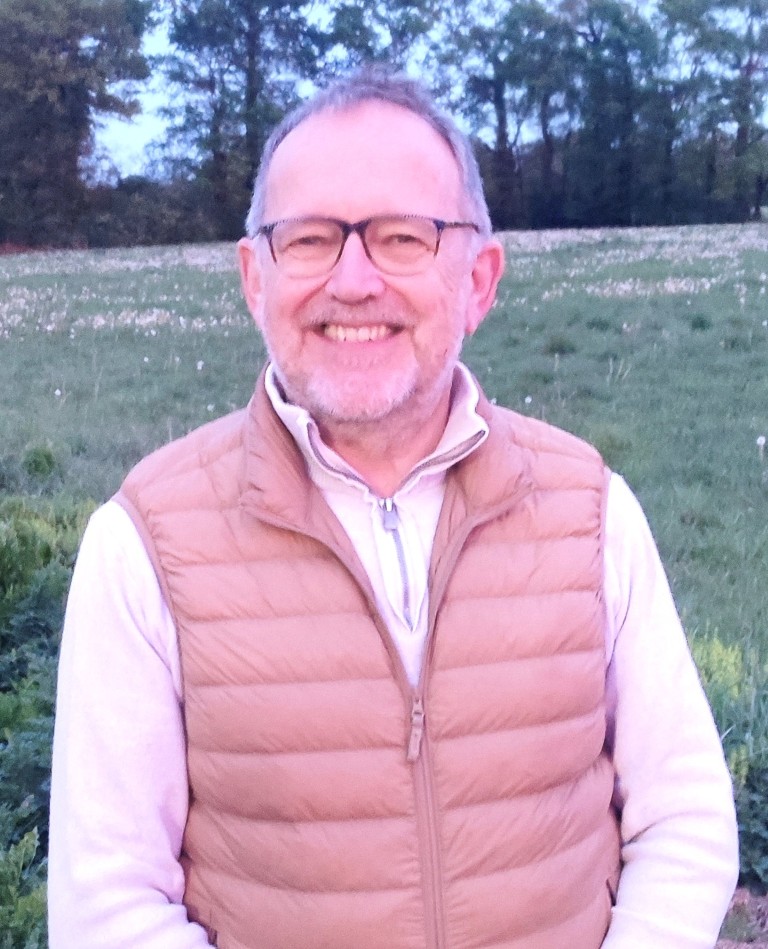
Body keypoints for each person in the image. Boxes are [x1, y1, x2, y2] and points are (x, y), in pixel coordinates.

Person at [49, 70, 739, 948]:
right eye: (309, 239)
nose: (353, 280)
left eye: (403, 237)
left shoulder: (592, 509)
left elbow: (683, 817)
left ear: (479, 280)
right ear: (254, 278)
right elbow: (107, 905)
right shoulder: (143, 543)